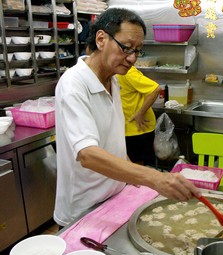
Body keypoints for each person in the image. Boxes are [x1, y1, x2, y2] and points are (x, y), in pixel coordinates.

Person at [53, 8, 201, 227]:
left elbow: (114, 146)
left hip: (113, 199)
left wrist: (138, 183)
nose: (132, 58)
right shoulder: (73, 84)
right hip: (83, 210)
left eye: (138, 51)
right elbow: (88, 155)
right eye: (126, 48)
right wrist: (154, 178)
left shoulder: (113, 80)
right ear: (101, 39)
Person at [117, 66, 160, 166]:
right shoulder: (111, 73)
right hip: (124, 128)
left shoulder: (127, 72)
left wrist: (140, 112)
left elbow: (155, 89)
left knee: (137, 166)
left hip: (137, 128)